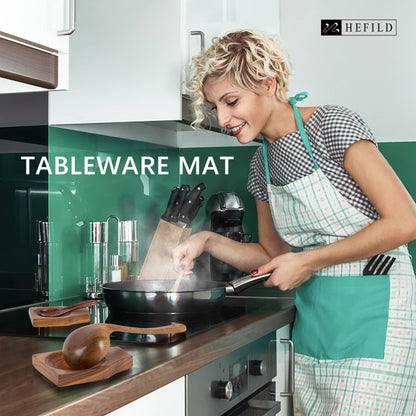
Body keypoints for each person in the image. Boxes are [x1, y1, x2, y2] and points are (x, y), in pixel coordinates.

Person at [172, 29, 416, 414]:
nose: (222, 118)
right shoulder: (261, 164)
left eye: (231, 101)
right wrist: (205, 240)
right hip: (319, 319)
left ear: (268, 84)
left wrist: (308, 261)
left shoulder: (331, 127)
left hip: (377, 313)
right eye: (214, 105)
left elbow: (405, 221)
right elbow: (272, 252)